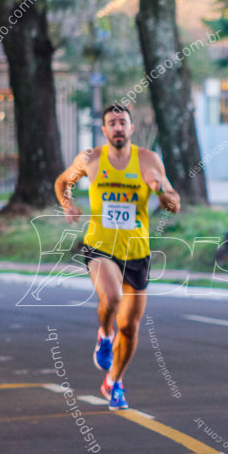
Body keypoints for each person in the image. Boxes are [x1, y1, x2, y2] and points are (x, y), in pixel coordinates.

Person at [54, 103, 181, 409]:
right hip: (100, 247)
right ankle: (102, 333)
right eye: (112, 123)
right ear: (104, 130)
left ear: (131, 128)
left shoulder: (148, 160)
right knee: (111, 299)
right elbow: (62, 183)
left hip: (136, 252)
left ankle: (115, 380)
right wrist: (67, 204)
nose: (118, 128)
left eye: (123, 122)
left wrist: (161, 191)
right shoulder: (91, 158)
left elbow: (174, 203)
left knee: (131, 327)